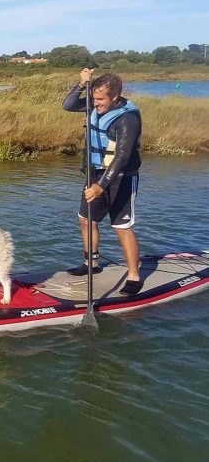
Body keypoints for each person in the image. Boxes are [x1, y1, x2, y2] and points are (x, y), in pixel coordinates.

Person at [62, 69, 143, 295]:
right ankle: (91, 265)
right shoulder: (93, 104)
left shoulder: (127, 118)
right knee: (86, 220)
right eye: (93, 98)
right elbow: (68, 105)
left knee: (121, 228)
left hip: (121, 178)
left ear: (115, 97)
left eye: (100, 99)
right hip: (95, 174)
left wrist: (101, 186)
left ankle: (134, 276)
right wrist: (80, 84)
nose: (94, 103)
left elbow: (122, 157)